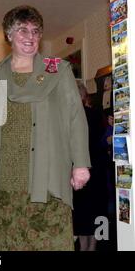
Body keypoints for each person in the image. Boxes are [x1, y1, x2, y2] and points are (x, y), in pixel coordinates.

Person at [0, 5, 91, 251]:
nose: (30, 37)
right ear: (9, 35)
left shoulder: (58, 70)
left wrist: (81, 164)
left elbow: (76, 117)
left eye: (35, 31)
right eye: (22, 30)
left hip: (50, 178)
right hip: (4, 183)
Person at [72, 82, 109, 251]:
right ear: (84, 96)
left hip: (77, 170)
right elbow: (101, 142)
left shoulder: (69, 116)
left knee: (80, 214)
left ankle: (82, 246)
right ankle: (91, 247)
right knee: (95, 213)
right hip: (96, 170)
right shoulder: (95, 115)